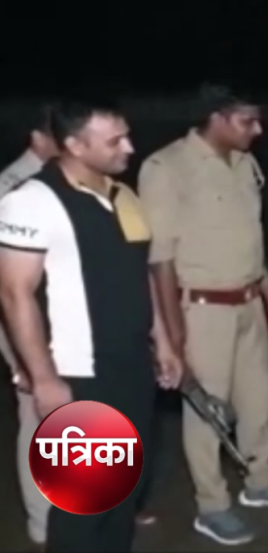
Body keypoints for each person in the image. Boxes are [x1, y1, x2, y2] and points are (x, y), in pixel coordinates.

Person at [0, 97, 184, 552]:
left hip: (132, 365)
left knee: (124, 491)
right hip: (80, 372)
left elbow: (139, 271)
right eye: (115, 141)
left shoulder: (124, 195)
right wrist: (44, 378)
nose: (130, 148)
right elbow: (14, 293)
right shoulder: (30, 202)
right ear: (74, 145)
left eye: (127, 136)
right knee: (84, 502)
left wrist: (163, 342)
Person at [138, 84, 268, 546]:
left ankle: (261, 480)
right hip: (201, 308)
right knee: (207, 411)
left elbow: (251, 243)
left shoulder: (244, 164)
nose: (257, 129)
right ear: (217, 118)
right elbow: (160, 259)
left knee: (258, 400)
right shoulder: (167, 168)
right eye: (246, 120)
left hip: (248, 302)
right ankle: (212, 504)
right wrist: (173, 335)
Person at [0, 103, 59, 548]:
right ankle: (43, 520)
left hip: (62, 316)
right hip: (22, 317)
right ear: (39, 138)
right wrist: (16, 351)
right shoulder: (12, 188)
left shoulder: (64, 182)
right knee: (37, 416)